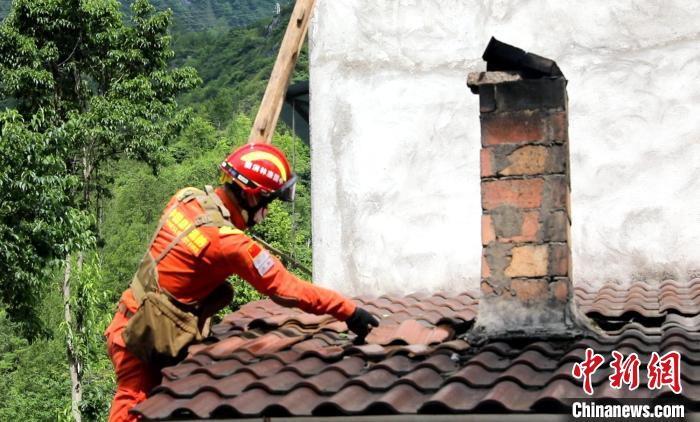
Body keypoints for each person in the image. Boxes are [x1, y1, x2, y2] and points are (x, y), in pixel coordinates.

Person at [104, 143, 379, 422]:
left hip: (133, 319)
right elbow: (287, 290)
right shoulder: (229, 244)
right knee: (132, 409)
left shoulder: (186, 198)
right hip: (137, 342)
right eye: (267, 202)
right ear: (250, 197)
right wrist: (348, 311)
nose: (267, 212)